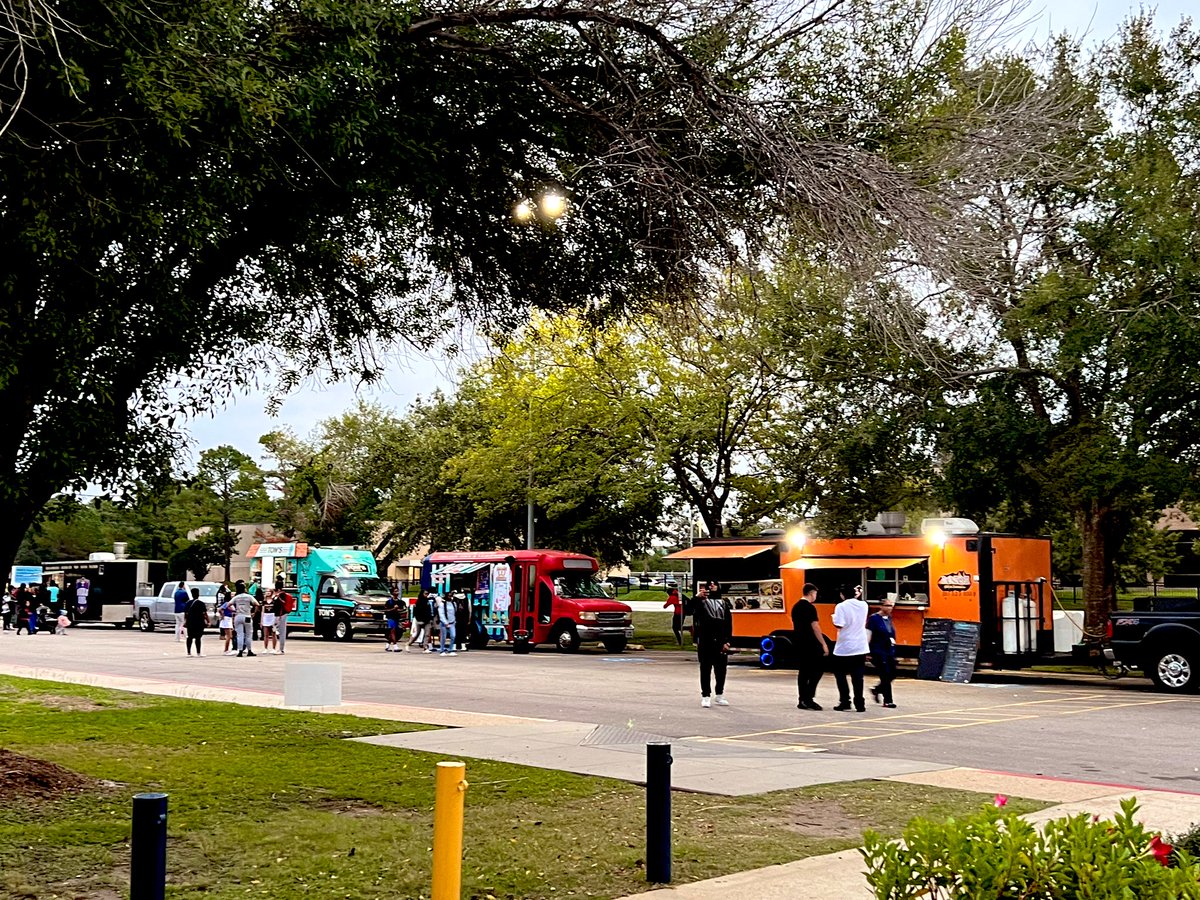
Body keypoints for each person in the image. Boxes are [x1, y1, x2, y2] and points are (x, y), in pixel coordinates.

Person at [691, 582, 733, 708]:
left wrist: (728, 641)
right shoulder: (701, 603)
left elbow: (728, 624)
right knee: (705, 669)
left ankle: (719, 694)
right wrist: (697, 597)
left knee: (721, 670)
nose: (712, 586)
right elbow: (689, 610)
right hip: (705, 640)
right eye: (709, 584)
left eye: (715, 584)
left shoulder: (724, 603)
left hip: (720, 640)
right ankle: (706, 695)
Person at [832, 584, 870, 712]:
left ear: (842, 595)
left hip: (844, 646)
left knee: (840, 675)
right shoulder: (864, 605)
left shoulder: (841, 606)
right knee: (858, 676)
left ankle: (845, 701)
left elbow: (839, 624)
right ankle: (860, 703)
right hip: (860, 645)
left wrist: (833, 618)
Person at [791, 582, 829, 710]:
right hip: (810, 643)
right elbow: (815, 627)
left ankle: (802, 699)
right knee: (818, 669)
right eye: (815, 593)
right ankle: (809, 697)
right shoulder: (810, 608)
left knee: (803, 672)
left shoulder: (795, 607)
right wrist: (823, 643)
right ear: (812, 593)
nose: (816, 596)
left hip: (799, 642)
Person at [867, 597, 899, 708]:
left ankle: (877, 689)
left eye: (891, 605)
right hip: (878, 650)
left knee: (892, 673)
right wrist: (867, 651)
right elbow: (868, 634)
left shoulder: (888, 618)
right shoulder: (874, 619)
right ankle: (888, 700)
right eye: (887, 605)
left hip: (889, 649)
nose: (890, 608)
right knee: (885, 674)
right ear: (881, 606)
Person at [231, 579, 258, 658]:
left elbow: (229, 604)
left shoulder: (236, 597)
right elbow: (257, 604)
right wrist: (254, 613)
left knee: (239, 634)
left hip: (238, 616)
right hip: (247, 616)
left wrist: (234, 610)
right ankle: (249, 650)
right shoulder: (249, 597)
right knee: (248, 634)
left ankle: (240, 651)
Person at [184, 587, 209, 657]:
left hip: (190, 622)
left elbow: (186, 614)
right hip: (199, 622)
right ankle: (198, 653)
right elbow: (204, 614)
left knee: (190, 637)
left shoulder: (188, 603)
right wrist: (208, 621)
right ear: (198, 594)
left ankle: (189, 652)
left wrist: (185, 621)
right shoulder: (201, 603)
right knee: (198, 638)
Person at [273, 582, 294, 655]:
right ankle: (279, 648)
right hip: (279, 615)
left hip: (281, 615)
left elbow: (282, 604)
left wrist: (277, 597)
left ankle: (281, 649)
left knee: (281, 632)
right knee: (279, 632)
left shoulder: (281, 595)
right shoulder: (281, 594)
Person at [436, 592, 457, 656]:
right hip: (444, 623)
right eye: (449, 596)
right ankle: (442, 650)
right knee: (443, 637)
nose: (450, 597)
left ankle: (450, 649)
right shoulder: (442, 604)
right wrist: (445, 622)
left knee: (453, 636)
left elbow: (455, 612)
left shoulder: (454, 603)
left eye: (451, 596)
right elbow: (441, 614)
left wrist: (454, 620)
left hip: (452, 622)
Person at [384, 588, 405, 652]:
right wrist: (393, 609)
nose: (397, 593)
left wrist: (399, 610)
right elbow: (386, 610)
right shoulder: (389, 602)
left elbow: (403, 609)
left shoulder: (400, 602)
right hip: (391, 617)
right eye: (395, 591)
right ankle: (395, 646)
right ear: (392, 593)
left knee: (394, 631)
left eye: (398, 591)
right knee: (392, 631)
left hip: (397, 618)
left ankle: (387, 645)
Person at [260, 588, 277, 654]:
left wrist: (276, 619)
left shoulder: (274, 600)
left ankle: (274, 648)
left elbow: (276, 610)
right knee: (265, 634)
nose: (267, 592)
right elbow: (262, 611)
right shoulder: (264, 601)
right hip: (266, 617)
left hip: (272, 616)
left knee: (273, 633)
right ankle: (265, 648)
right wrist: (261, 620)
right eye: (266, 591)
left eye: (269, 591)